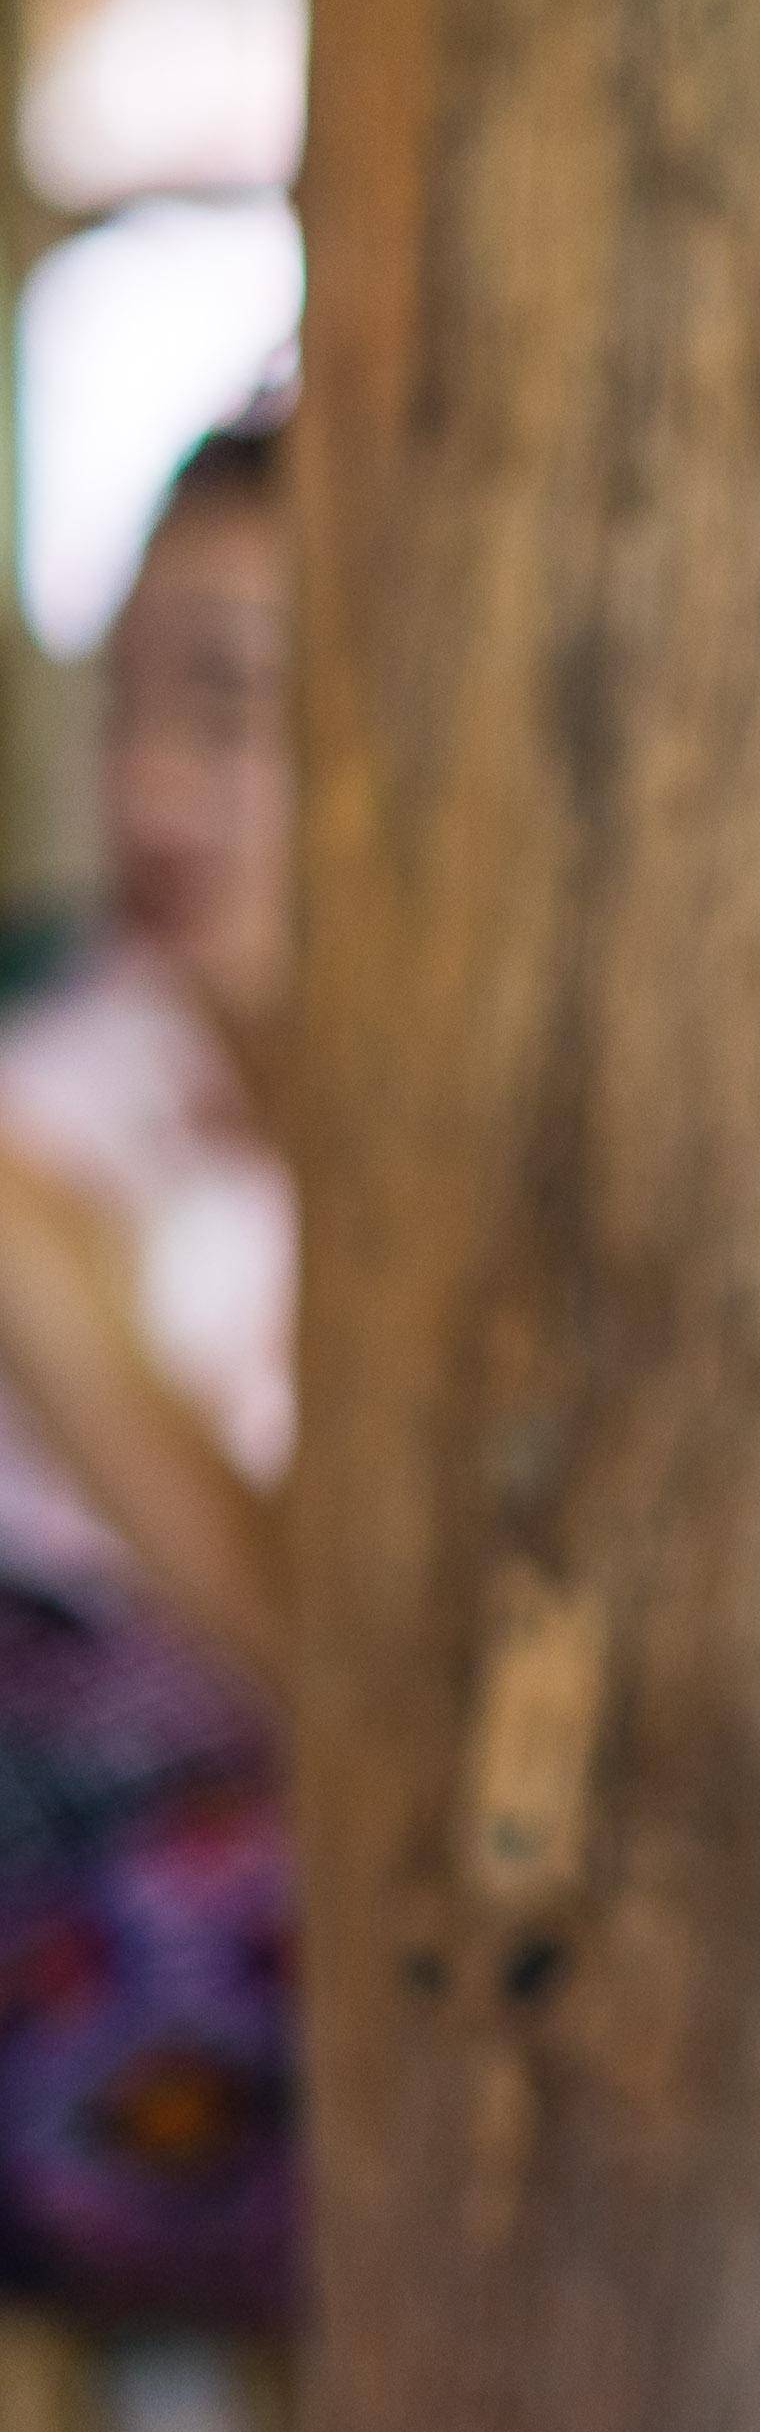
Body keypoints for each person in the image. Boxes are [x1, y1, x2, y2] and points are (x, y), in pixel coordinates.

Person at [0, 425, 298, 2322]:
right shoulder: (58, 1111)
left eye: (240, 705)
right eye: (139, 706)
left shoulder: (539, 1184)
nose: (160, 784)